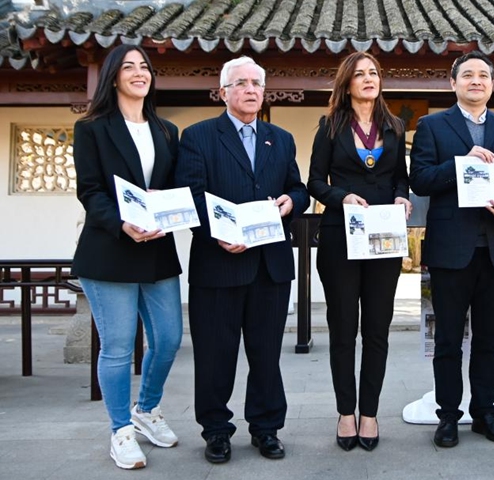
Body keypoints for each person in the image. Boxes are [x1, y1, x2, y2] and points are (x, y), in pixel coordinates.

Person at [175, 56, 309, 464]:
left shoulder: (280, 138)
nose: (250, 89)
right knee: (216, 355)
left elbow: (297, 188)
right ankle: (216, 431)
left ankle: (266, 429)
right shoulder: (198, 137)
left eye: (257, 83)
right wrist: (221, 234)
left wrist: (292, 201)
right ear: (223, 92)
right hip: (219, 262)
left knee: (267, 353)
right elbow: (192, 195)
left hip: (270, 265)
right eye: (241, 83)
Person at [72, 44, 182, 470]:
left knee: (169, 338)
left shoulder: (166, 130)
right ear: (113, 77)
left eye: (145, 67)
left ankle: (146, 410)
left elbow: (173, 187)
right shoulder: (92, 128)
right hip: (109, 250)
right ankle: (120, 430)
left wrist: (169, 204)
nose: (139, 73)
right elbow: (90, 191)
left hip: (156, 248)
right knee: (117, 347)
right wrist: (122, 223)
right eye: (129, 67)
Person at [409, 50, 494, 448]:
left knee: (490, 338)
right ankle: (447, 415)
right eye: (468, 75)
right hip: (450, 249)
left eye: (483, 75)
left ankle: (485, 412)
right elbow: (421, 179)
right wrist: (462, 163)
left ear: (492, 84)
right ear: (453, 82)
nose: (476, 81)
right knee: (447, 341)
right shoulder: (432, 126)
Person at [308, 52, 412, 452]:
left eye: (373, 73)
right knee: (343, 329)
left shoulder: (394, 126)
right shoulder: (330, 126)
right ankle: (346, 412)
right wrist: (341, 196)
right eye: (360, 74)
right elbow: (315, 181)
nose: (368, 79)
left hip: (383, 239)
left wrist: (403, 198)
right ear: (347, 83)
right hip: (340, 238)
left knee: (377, 330)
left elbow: (400, 178)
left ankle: (369, 412)